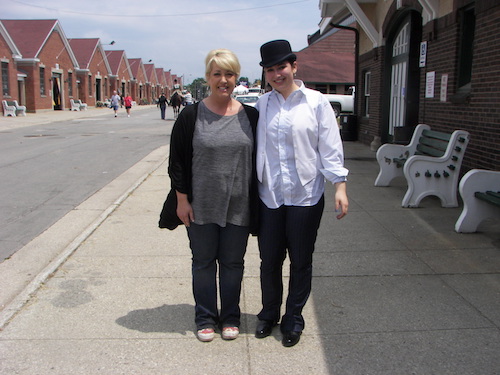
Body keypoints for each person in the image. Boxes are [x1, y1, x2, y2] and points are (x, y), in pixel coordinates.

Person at [254, 40, 349, 347]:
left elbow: (330, 147)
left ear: (294, 66)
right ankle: (269, 313)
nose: (277, 74)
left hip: (305, 196)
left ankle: (293, 317)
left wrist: (340, 186)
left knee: (300, 260)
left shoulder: (316, 102)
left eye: (281, 67)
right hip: (270, 196)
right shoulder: (262, 105)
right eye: (270, 69)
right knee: (269, 260)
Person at [167, 48, 259, 342]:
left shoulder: (252, 116)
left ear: (236, 78)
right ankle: (205, 317)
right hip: (201, 206)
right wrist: (182, 200)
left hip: (239, 205)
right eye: (217, 73)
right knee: (203, 263)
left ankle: (230, 316)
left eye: (229, 73)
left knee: (233, 264)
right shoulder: (191, 115)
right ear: (208, 77)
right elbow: (177, 161)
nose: (223, 79)